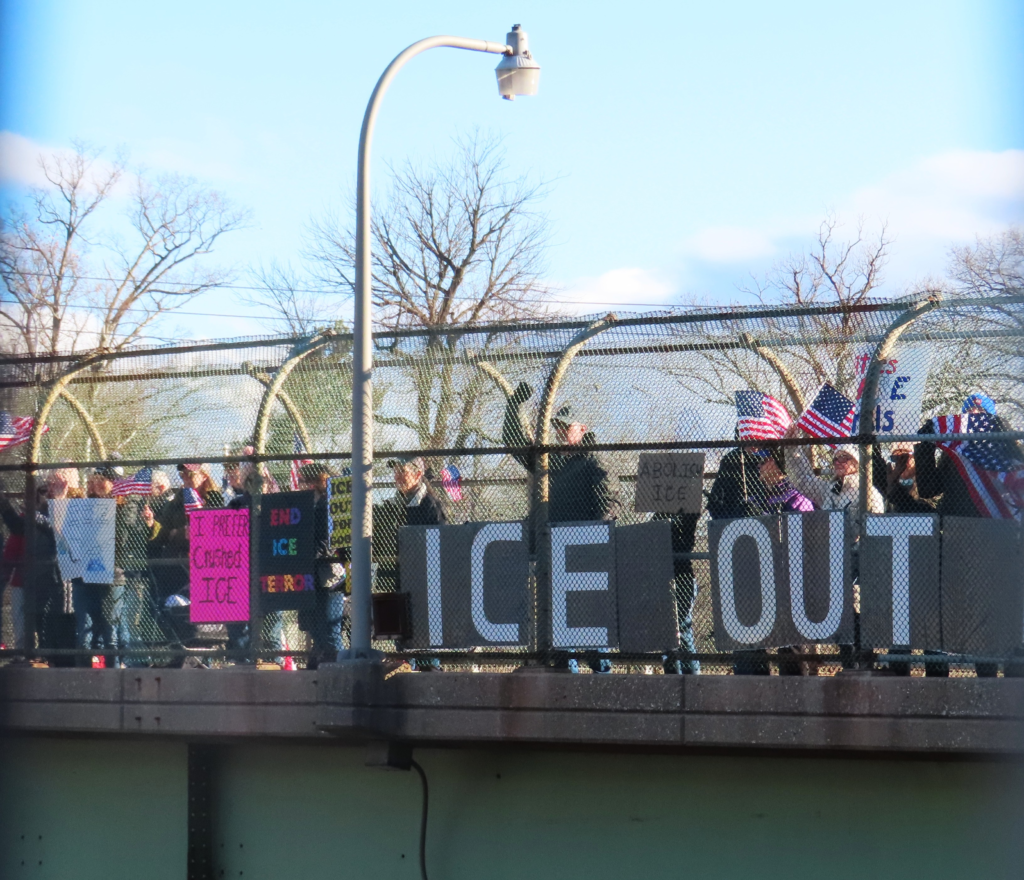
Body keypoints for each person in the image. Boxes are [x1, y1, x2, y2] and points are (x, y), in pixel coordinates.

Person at [502, 385, 621, 673]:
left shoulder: (594, 462)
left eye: (566, 427)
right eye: (557, 427)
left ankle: (601, 686)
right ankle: (566, 682)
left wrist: (588, 542)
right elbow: (514, 442)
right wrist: (515, 403)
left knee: (592, 630)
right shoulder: (552, 462)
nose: (560, 432)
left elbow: (609, 504)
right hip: (556, 556)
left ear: (582, 429)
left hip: (585, 559)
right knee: (562, 636)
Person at [374, 456, 448, 670]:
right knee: (399, 632)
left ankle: (430, 672)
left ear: (417, 474)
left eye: (403, 471)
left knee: (424, 633)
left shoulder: (430, 505)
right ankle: (406, 665)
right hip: (393, 577)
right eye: (395, 471)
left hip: (422, 580)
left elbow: (442, 543)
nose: (397, 476)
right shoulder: (392, 505)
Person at [295, 462, 348, 669]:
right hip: (311, 574)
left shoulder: (330, 502)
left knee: (330, 629)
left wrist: (310, 555)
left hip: (329, 573)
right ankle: (319, 665)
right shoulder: (309, 504)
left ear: (315, 481)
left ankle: (342, 668)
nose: (301, 484)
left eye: (304, 480)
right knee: (315, 628)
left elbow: (327, 540)